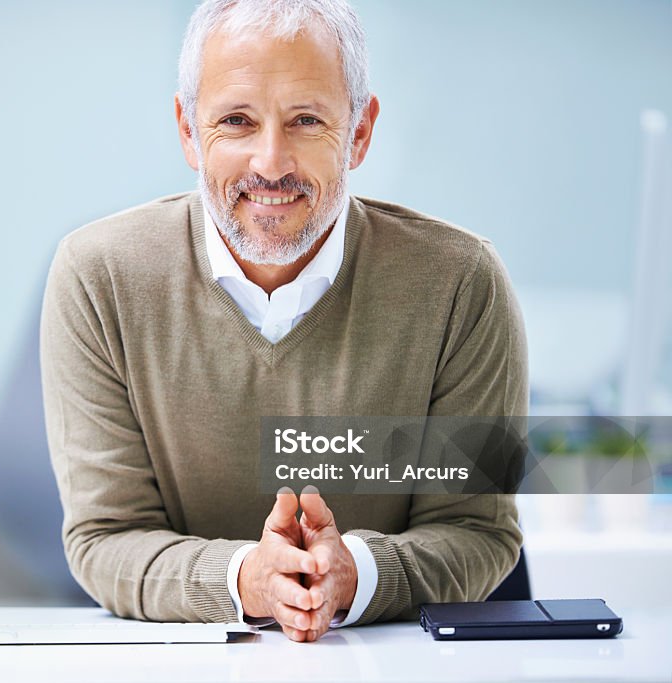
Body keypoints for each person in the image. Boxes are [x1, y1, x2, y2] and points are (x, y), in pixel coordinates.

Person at [40, 0, 527, 643]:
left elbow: (476, 531)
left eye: (306, 120)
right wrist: (248, 579)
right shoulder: (97, 276)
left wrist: (358, 573)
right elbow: (106, 539)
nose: (271, 163)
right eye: (236, 120)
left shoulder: (461, 283)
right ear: (188, 129)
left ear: (358, 132)